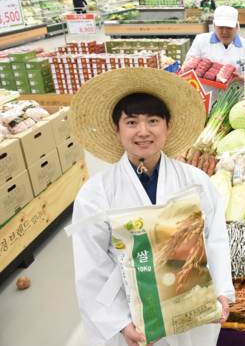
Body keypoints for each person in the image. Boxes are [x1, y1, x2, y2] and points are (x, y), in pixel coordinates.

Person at [68, 68, 234, 346]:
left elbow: (215, 239)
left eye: (153, 120)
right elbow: (90, 264)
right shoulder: (96, 193)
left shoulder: (196, 181)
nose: (143, 131)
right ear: (116, 129)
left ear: (168, 126)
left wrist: (221, 291)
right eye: (131, 122)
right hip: (133, 313)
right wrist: (119, 322)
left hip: (192, 307)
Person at [185, 6, 245, 81]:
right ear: (214, 25)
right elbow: (187, 67)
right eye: (221, 27)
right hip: (205, 92)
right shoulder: (200, 40)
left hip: (235, 91)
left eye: (229, 28)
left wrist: (240, 78)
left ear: (237, 26)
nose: (225, 32)